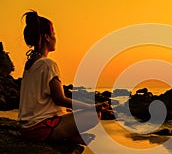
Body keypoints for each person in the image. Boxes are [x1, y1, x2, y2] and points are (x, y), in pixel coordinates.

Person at [18, 10, 110, 145]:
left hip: (26, 128)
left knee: (70, 111)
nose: (56, 37)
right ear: (47, 37)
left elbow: (46, 102)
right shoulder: (48, 64)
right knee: (93, 115)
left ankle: (70, 137)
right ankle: (67, 137)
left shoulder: (30, 64)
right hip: (41, 128)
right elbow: (60, 99)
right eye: (54, 33)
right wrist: (93, 107)